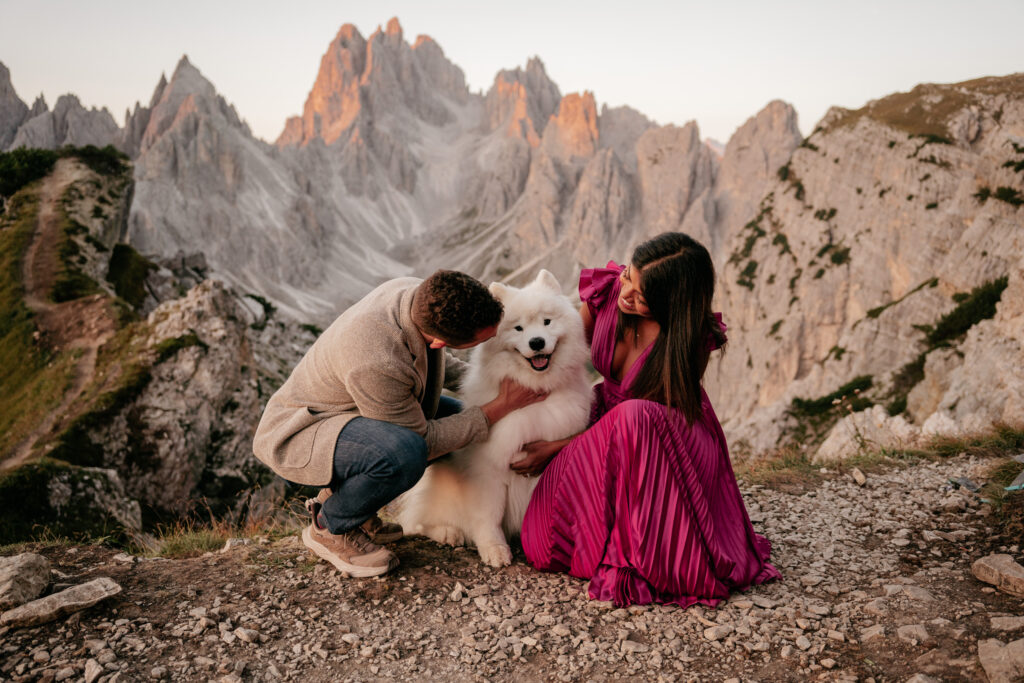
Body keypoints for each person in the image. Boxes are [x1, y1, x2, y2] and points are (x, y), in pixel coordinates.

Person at [512, 232, 780, 607]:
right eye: (628, 278)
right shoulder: (606, 293)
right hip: (605, 422)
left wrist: (556, 448)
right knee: (539, 544)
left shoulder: (687, 337)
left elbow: (644, 423)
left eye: (642, 294)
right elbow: (561, 356)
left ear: (674, 302)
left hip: (666, 438)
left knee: (634, 415)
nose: (626, 294)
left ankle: (644, 553)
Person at [253, 270, 547, 577]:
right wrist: (499, 406)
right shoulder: (376, 359)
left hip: (360, 409)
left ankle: (353, 506)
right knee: (404, 453)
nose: (494, 339)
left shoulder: (418, 297)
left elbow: (443, 368)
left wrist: (494, 386)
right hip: (302, 432)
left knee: (466, 422)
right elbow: (423, 440)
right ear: (439, 342)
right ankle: (331, 526)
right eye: (485, 339)